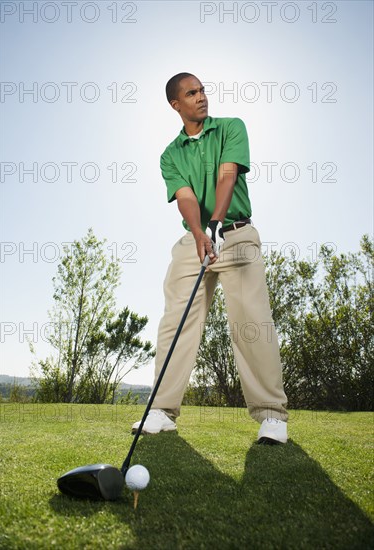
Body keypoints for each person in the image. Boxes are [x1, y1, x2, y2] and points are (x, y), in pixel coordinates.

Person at [132, 73, 288, 444]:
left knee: (251, 323)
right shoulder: (170, 154)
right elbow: (185, 196)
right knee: (176, 321)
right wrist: (200, 232)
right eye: (192, 93)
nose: (201, 97)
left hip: (235, 234)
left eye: (202, 90)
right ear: (176, 105)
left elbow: (227, 174)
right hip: (195, 240)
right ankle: (161, 410)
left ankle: (272, 416)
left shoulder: (232, 127)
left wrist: (216, 221)